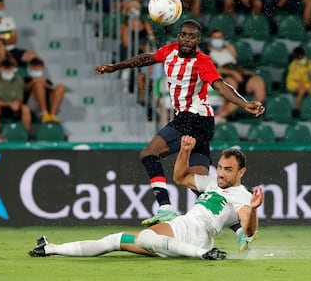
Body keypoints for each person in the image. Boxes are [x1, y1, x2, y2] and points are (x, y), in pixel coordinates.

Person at [95, 19, 265, 227]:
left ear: (198, 40)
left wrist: (243, 103)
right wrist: (116, 67)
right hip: (203, 122)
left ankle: (165, 208)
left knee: (149, 154)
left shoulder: (202, 61)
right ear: (178, 36)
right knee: (197, 183)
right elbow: (147, 59)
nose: (186, 39)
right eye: (183, 34)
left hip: (193, 117)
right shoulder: (169, 51)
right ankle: (239, 228)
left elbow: (220, 86)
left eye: (192, 36)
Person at [28, 135, 264, 259]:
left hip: (196, 234)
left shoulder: (242, 197)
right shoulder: (213, 182)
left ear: (241, 172)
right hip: (180, 228)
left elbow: (249, 230)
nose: (221, 173)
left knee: (144, 239)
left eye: (228, 170)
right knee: (115, 239)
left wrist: (253, 209)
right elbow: (181, 177)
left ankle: (204, 254)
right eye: (221, 167)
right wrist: (184, 151)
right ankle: (51, 249)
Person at [206, 29, 266, 123]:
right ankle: (220, 116)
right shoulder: (208, 54)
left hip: (238, 73)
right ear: (210, 39)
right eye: (215, 38)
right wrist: (232, 73)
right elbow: (215, 69)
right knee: (231, 86)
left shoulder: (228, 51)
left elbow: (234, 64)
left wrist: (243, 71)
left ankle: (258, 111)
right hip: (225, 75)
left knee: (258, 82)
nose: (218, 40)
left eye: (220, 37)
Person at [0, 0, 37, 71]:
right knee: (0, 49)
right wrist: (9, 55)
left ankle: (32, 80)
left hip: (11, 49)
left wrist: (3, 41)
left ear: (3, 6)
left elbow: (14, 39)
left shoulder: (9, 19)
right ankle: (2, 76)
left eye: (0, 6)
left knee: (32, 55)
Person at [0, 58, 32, 133]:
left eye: (10, 70)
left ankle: (26, 134)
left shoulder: (19, 79)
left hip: (14, 106)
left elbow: (20, 98)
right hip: (0, 105)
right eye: (6, 69)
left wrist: (17, 105)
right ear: (1, 70)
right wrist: (8, 104)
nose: (8, 72)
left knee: (25, 108)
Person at [24, 57, 66, 123]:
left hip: (47, 104)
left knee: (61, 87)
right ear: (30, 68)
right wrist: (34, 82)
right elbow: (24, 89)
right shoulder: (25, 79)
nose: (37, 69)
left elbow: (53, 91)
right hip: (31, 106)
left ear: (42, 68)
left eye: (39, 67)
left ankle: (52, 115)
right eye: (34, 67)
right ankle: (44, 114)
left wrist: (47, 86)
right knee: (38, 84)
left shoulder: (46, 80)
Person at [286, 46, 311, 115]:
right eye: (299, 58)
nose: (302, 59)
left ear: (304, 55)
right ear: (295, 58)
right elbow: (298, 81)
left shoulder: (308, 62)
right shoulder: (293, 66)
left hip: (306, 82)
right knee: (302, 90)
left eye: (302, 57)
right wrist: (310, 86)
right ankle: (297, 110)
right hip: (294, 82)